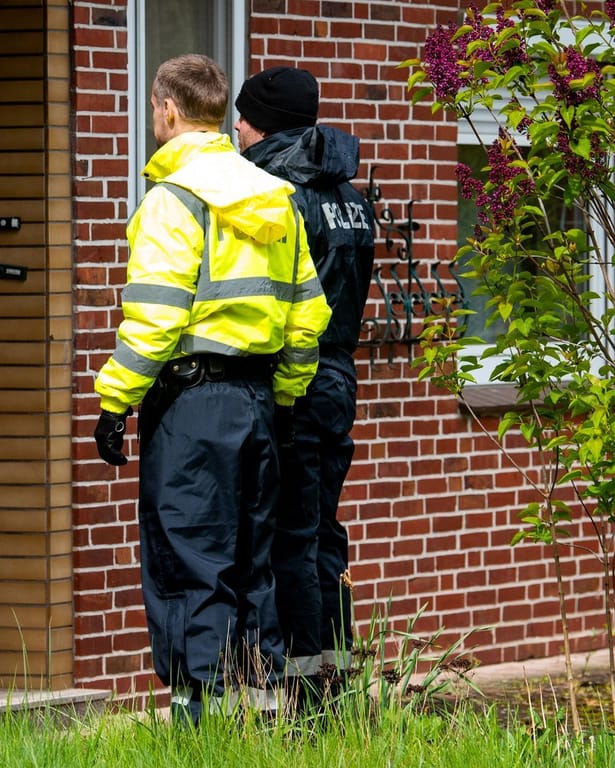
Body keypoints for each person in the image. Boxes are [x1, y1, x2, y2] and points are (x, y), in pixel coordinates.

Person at [92, 54, 331, 724]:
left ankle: (200, 731)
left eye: (152, 109)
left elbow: (156, 316)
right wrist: (283, 395)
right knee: (252, 565)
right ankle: (258, 722)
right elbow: (309, 314)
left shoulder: (173, 200)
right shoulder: (274, 199)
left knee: (191, 559)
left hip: (191, 405)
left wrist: (116, 402)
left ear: (168, 110)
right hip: (257, 402)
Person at [234, 66, 377, 709]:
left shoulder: (275, 192)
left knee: (288, 537)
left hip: (294, 377)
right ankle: (337, 683)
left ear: (263, 122)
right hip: (339, 375)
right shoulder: (349, 192)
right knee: (322, 532)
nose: (234, 129)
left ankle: (305, 701)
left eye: (241, 117)